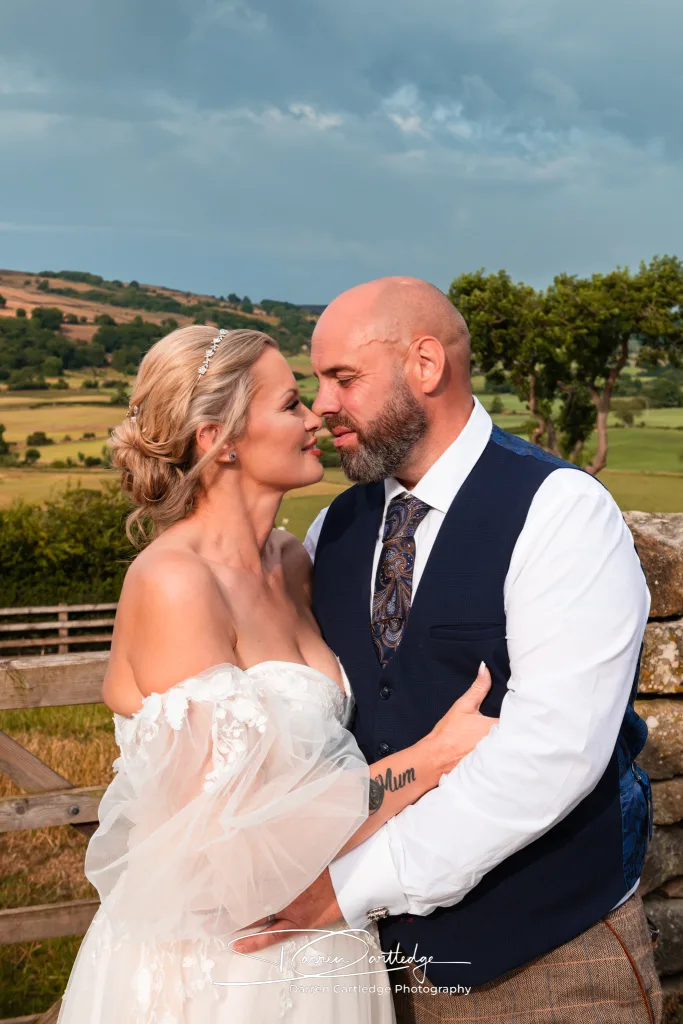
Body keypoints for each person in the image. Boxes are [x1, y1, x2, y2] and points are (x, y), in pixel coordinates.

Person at [238, 278, 662, 1023]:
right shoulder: (332, 530)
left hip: (546, 962)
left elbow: (550, 754)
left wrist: (347, 886)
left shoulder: (559, 511)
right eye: (314, 383)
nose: (322, 405)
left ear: (424, 366)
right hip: (363, 968)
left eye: (342, 378)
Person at [56, 325, 497, 1024]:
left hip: (326, 936)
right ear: (218, 438)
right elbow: (231, 845)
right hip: (227, 961)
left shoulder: (293, 560)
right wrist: (433, 758)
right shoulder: (175, 581)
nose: (317, 413)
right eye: (291, 402)